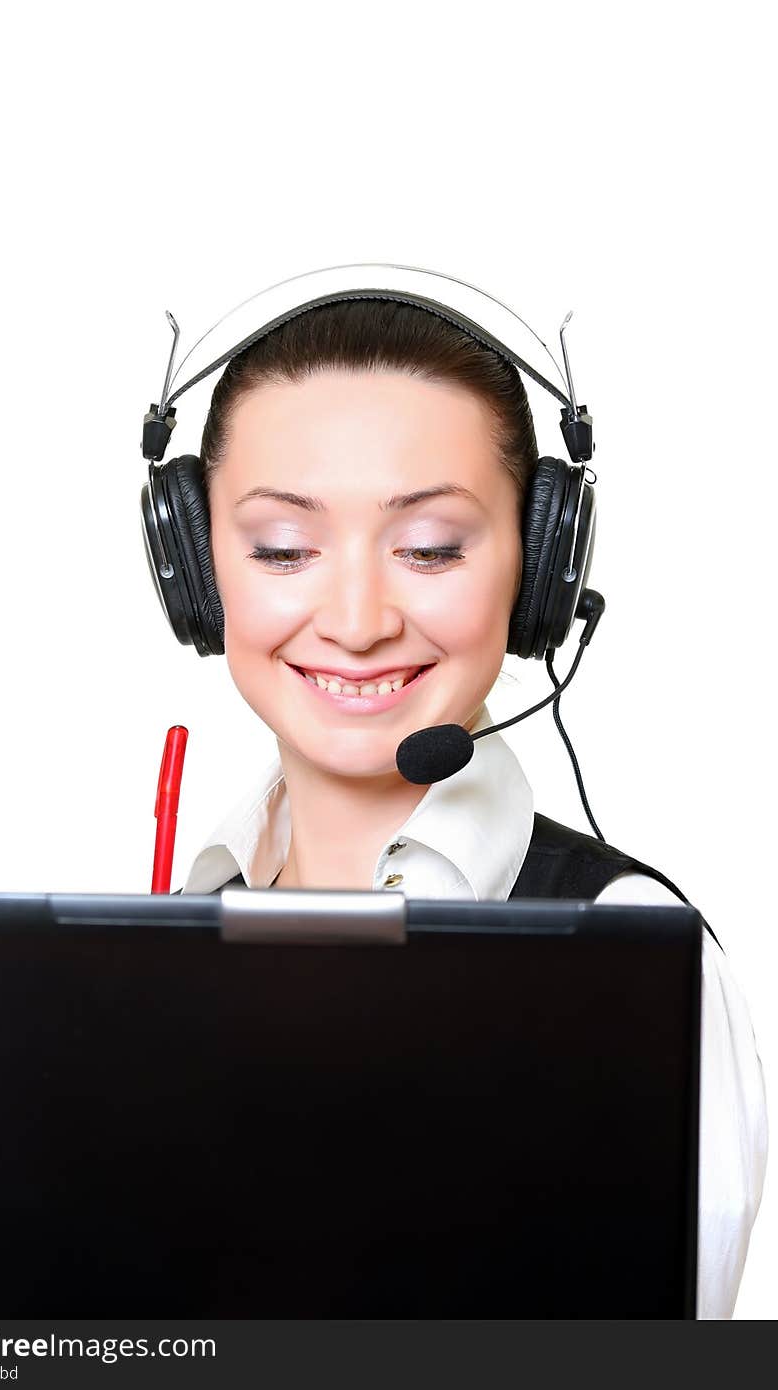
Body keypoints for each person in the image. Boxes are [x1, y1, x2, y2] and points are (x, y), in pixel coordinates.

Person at [171, 294, 766, 1318]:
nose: (357, 622)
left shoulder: (630, 954)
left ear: (538, 572)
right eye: (281, 548)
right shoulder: (162, 928)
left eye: (432, 547)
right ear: (192, 572)